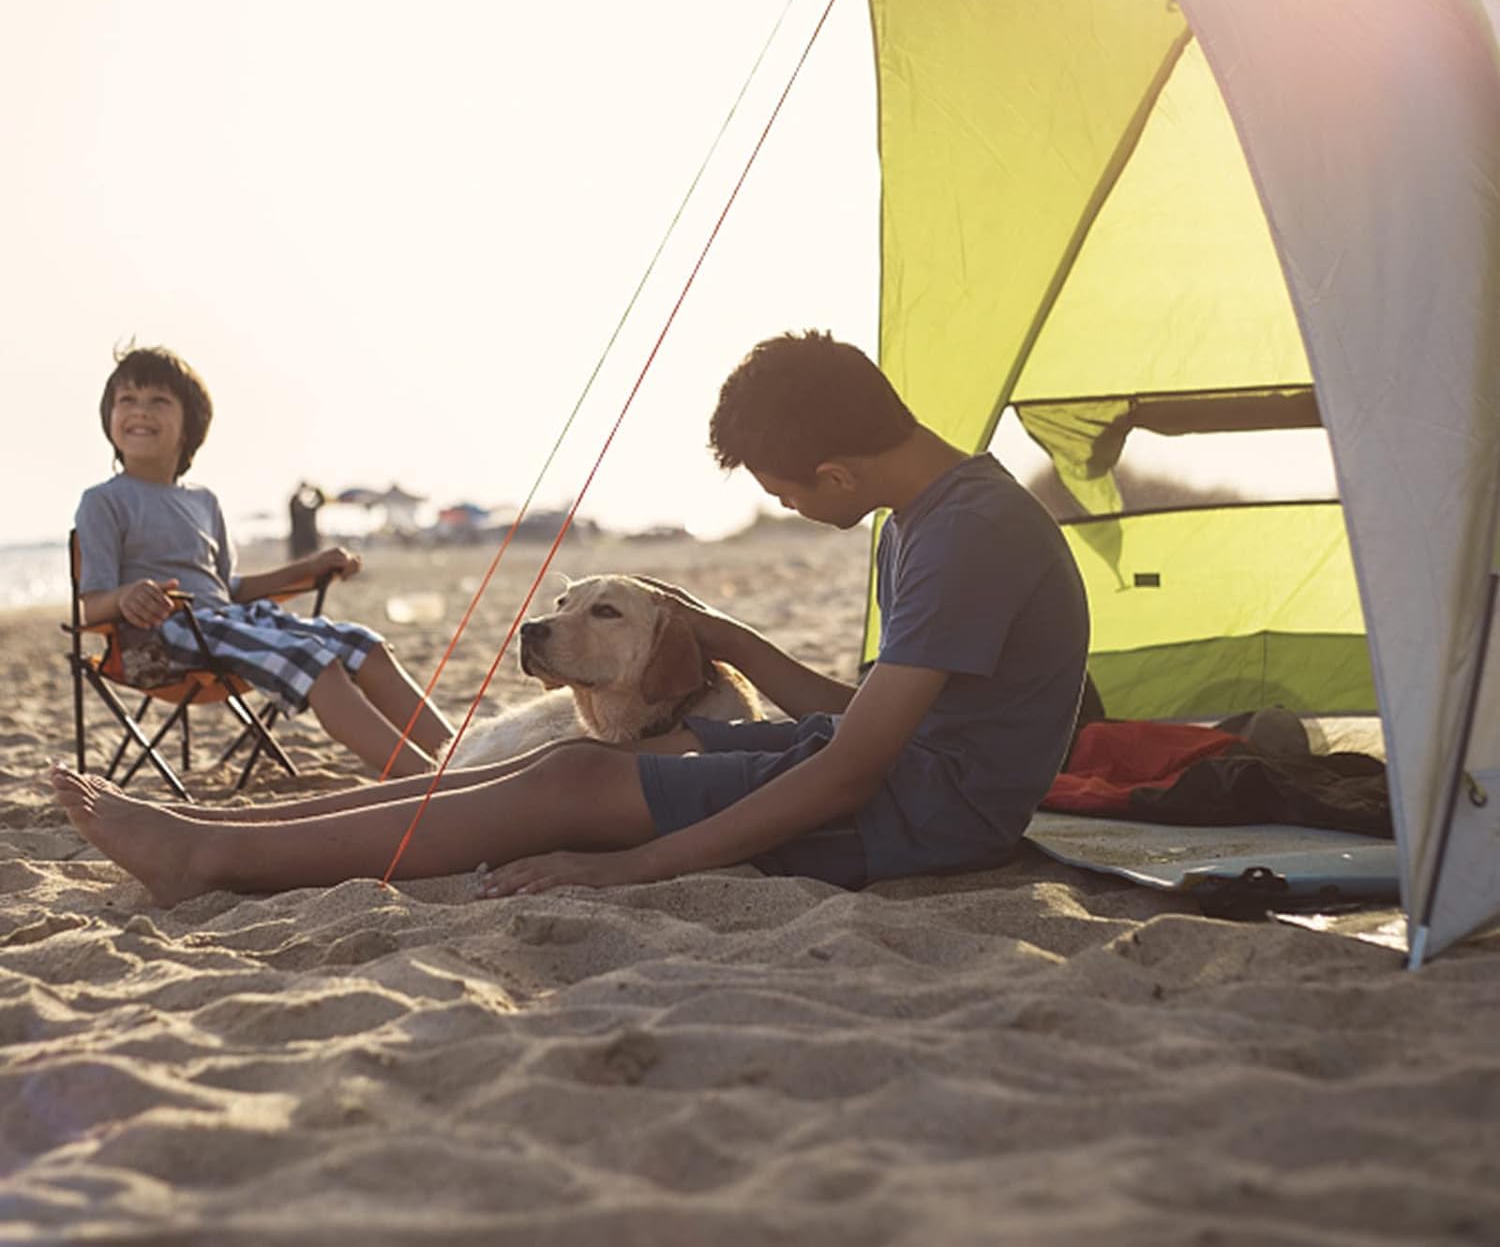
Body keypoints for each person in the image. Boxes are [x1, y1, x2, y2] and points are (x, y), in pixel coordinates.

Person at [53, 331, 1090, 907]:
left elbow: (859, 766)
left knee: (570, 783)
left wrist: (632, 864)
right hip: (888, 774)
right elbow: (859, 714)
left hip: (922, 820)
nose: (786, 508)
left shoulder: (964, 534)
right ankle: (208, 831)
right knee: (523, 771)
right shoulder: (926, 513)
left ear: (833, 471)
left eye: (782, 492)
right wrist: (724, 639)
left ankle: (214, 857)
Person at [73, 345, 451, 778]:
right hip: (160, 637)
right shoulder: (103, 501)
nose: (140, 412)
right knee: (313, 659)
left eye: (158, 401)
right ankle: (425, 780)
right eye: (127, 400)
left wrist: (308, 569)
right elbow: (94, 605)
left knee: (364, 646)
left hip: (227, 622)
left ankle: (464, 759)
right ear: (109, 419)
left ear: (189, 426)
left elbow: (227, 589)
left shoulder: (203, 501)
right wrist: (126, 597)